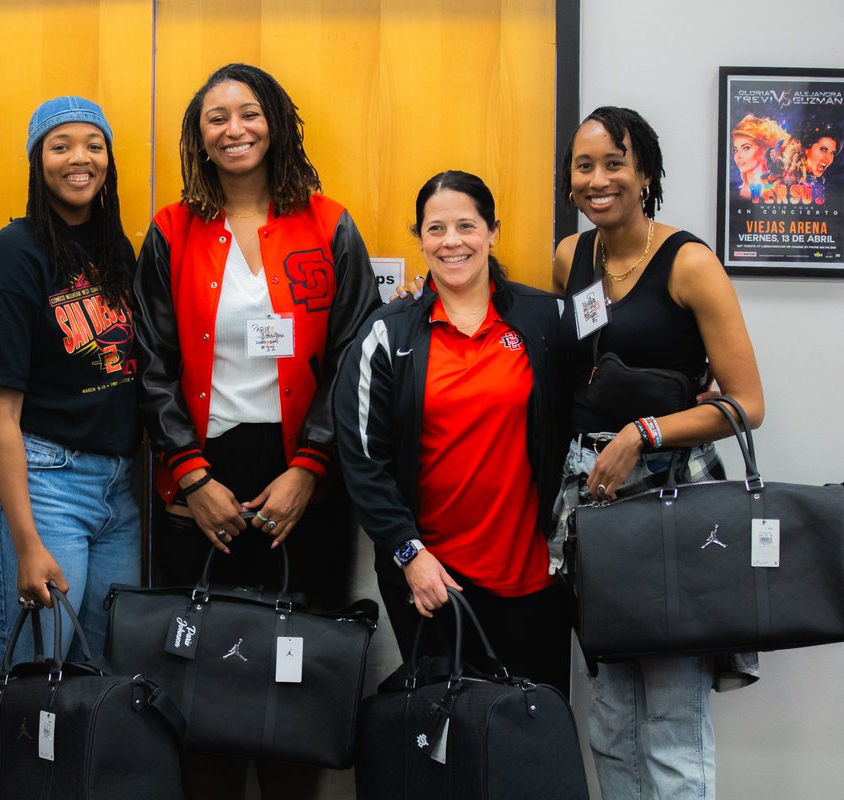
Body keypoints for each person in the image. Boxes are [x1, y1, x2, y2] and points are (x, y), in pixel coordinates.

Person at [133, 62, 380, 799]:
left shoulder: (329, 223)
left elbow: (355, 353)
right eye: (216, 118)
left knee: (294, 675)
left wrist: (310, 467)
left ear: (274, 122)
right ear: (198, 138)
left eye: (248, 113)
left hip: (304, 476)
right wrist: (190, 475)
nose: (233, 128)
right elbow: (149, 362)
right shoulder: (171, 230)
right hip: (199, 477)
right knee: (199, 672)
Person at [554, 106, 765, 800]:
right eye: (584, 165)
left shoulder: (690, 264)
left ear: (644, 172)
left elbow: (746, 405)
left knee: (671, 713)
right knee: (612, 716)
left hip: (668, 492)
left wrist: (644, 433)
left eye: (614, 162)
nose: (598, 178)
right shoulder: (570, 258)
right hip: (591, 497)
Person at [335, 170, 573, 695]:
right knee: (445, 751)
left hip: (535, 581)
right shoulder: (387, 334)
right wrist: (408, 554)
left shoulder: (547, 320)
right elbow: (362, 463)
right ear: (419, 238)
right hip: (433, 583)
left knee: (531, 740)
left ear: (493, 232)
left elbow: (598, 400)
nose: (452, 241)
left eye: (466, 225)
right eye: (436, 228)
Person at [0, 96, 139, 676]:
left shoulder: (116, 250)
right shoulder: (15, 255)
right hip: (45, 484)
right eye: (60, 146)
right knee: (32, 677)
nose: (78, 158)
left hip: (118, 489)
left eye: (93, 145)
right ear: (38, 160)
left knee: (98, 677)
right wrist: (26, 541)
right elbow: (0, 417)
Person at [730, 113, 787, 199]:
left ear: (764, 150)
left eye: (746, 148)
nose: (738, 156)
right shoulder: (739, 189)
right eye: (735, 150)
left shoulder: (775, 188)